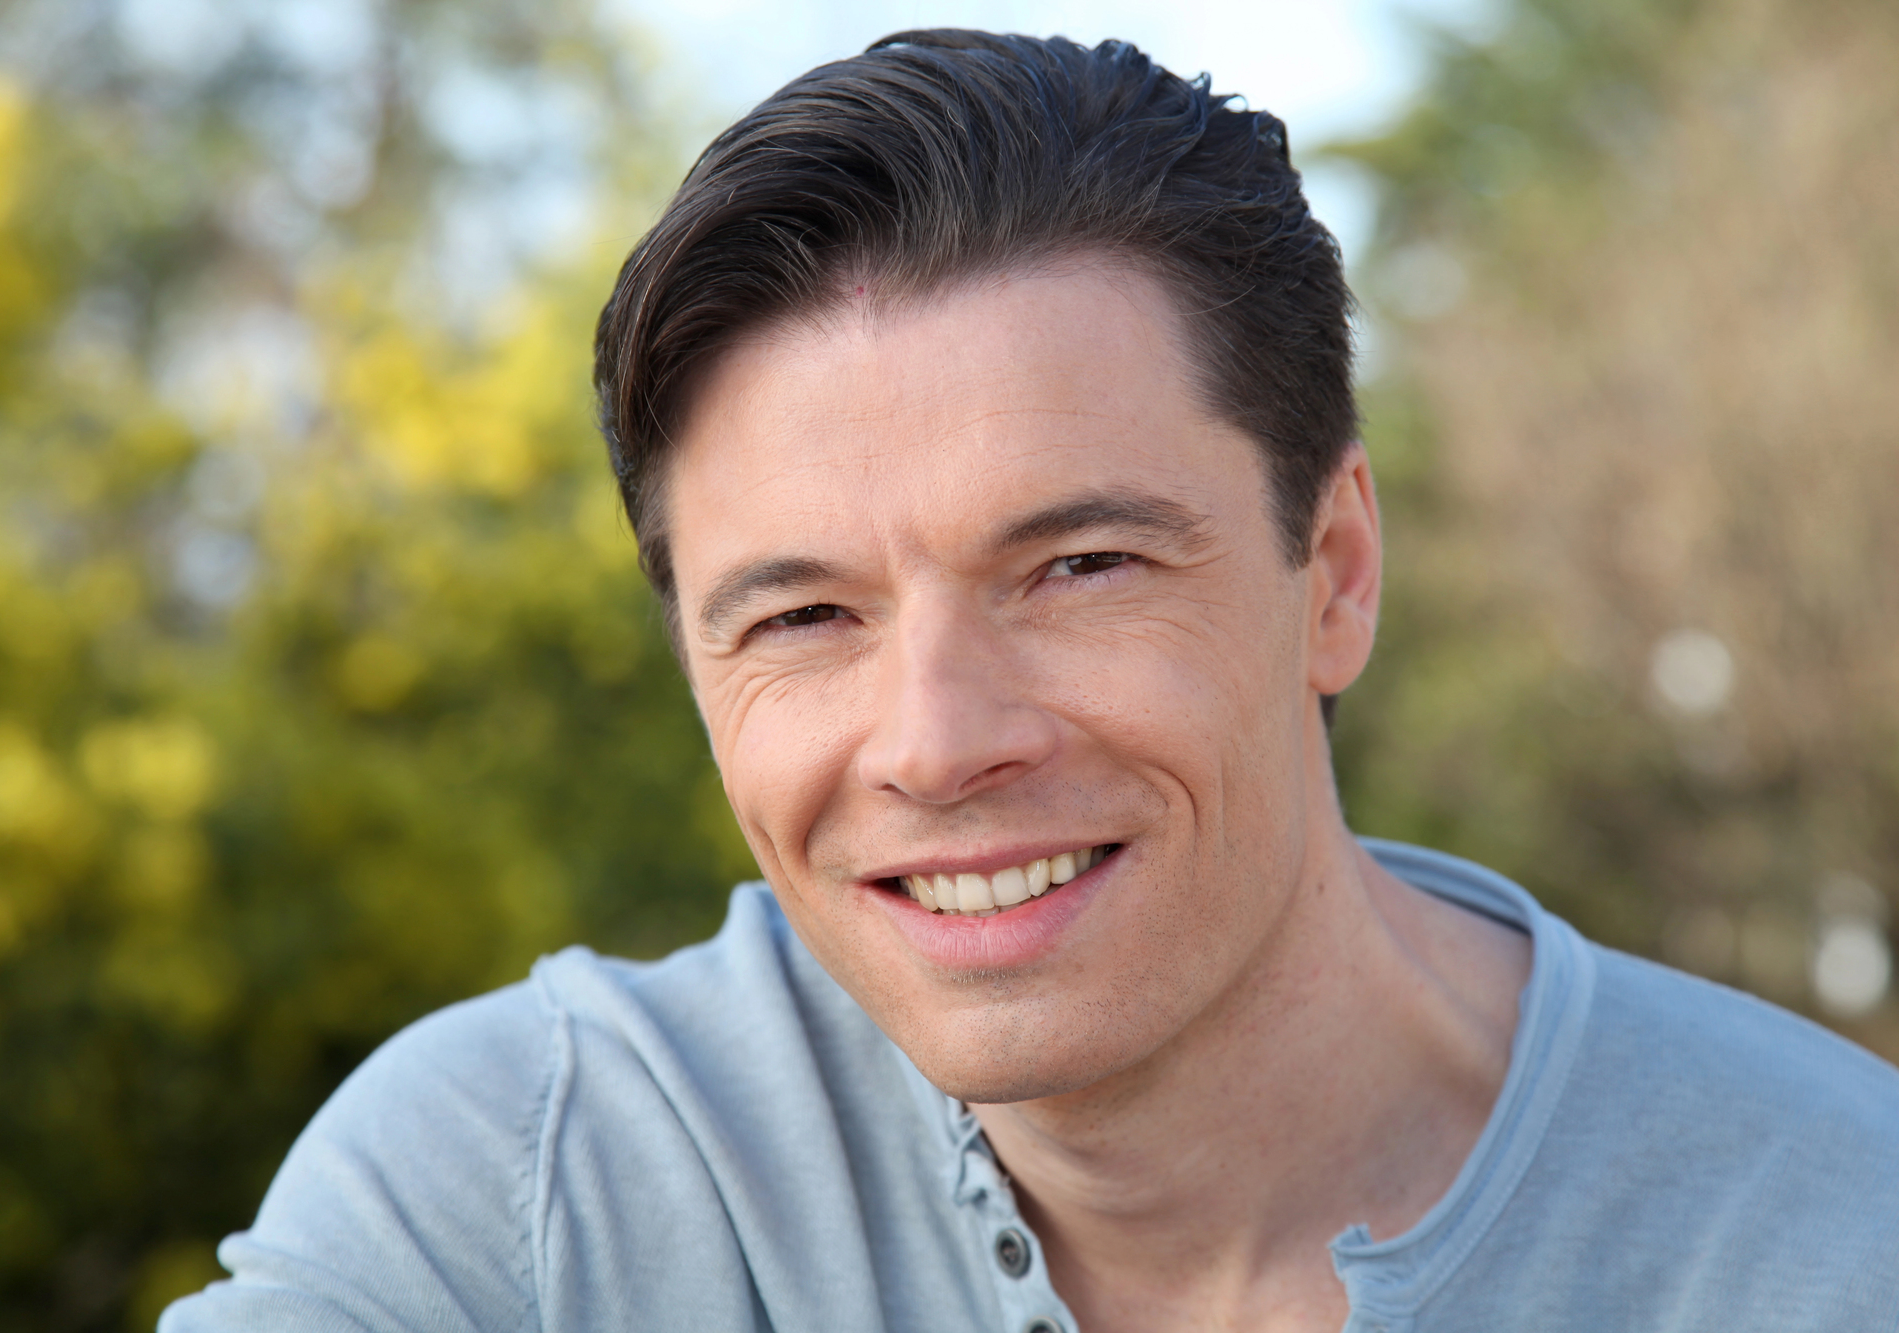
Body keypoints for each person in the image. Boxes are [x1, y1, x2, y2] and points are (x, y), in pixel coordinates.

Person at [165, 30, 1899, 1333]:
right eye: (801, 618)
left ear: (1337, 573)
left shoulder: (1832, 1240)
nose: (935, 741)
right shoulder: (532, 1201)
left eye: (1080, 568)